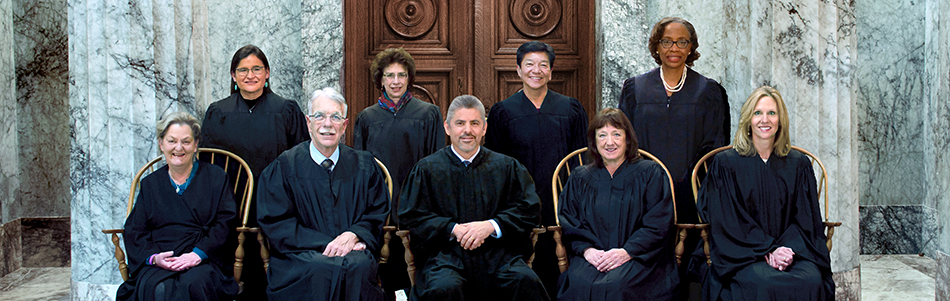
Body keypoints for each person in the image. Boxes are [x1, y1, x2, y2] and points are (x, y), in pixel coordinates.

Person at [399, 95, 550, 301]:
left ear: (484, 128)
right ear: (447, 127)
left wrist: (491, 226)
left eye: (474, 123)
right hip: (445, 257)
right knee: (443, 287)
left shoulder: (507, 167)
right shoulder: (427, 170)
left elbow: (529, 210)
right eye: (460, 123)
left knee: (524, 281)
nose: (467, 130)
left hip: (499, 256)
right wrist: (452, 229)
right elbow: (412, 216)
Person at [617, 17, 728, 291]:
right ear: (657, 46)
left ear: (691, 48)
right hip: (643, 191)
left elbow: (715, 145)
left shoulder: (708, 91)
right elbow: (623, 140)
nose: (674, 48)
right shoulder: (636, 88)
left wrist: (692, 182)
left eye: (682, 42)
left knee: (686, 263)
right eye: (666, 41)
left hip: (689, 191)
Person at [697, 86, 834, 300]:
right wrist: (767, 250)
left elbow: (807, 221)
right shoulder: (726, 165)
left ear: (780, 120)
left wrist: (785, 251)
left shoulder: (798, 165)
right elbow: (727, 220)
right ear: (748, 120)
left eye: (772, 113)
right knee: (765, 282)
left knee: (811, 280)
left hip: (792, 252)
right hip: (742, 255)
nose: (765, 120)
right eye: (758, 113)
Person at [256, 87, 389, 301]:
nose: (327, 124)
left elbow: (376, 212)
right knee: (321, 267)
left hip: (353, 248)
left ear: (344, 125)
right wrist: (326, 243)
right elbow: (277, 221)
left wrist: (353, 234)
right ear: (308, 123)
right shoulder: (284, 167)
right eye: (320, 116)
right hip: (301, 254)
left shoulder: (364, 165)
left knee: (359, 265)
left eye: (335, 117)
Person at [200, 44, 309, 300]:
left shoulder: (286, 110)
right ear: (233, 75)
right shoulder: (218, 112)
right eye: (243, 70)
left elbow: (300, 158)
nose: (251, 75)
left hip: (276, 201)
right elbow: (208, 163)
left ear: (268, 73)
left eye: (257, 69)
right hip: (231, 202)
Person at [485, 40, 588, 295]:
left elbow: (580, 160)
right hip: (520, 206)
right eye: (529, 64)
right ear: (519, 70)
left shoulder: (570, 109)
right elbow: (497, 166)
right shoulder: (503, 112)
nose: (536, 70)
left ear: (551, 72)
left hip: (562, 204)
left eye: (543, 65)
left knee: (562, 268)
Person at [556, 108, 679, 301]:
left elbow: (658, 223)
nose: (609, 142)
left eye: (616, 134)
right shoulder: (580, 177)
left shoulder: (649, 173)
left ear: (627, 139)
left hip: (640, 257)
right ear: (594, 141)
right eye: (602, 135)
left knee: (616, 286)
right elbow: (570, 221)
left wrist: (627, 251)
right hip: (592, 257)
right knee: (580, 283)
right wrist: (587, 251)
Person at [117, 112, 239, 301]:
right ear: (161, 144)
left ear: (196, 144)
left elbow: (226, 223)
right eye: (172, 141)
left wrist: (198, 254)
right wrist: (154, 258)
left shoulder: (216, 178)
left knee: (193, 284)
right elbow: (135, 230)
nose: (178, 148)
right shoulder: (150, 184)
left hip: (203, 259)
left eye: (186, 141)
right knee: (158, 287)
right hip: (161, 259)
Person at [352, 48, 445, 293]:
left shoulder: (429, 114)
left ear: (409, 78)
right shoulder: (366, 118)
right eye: (389, 75)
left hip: (416, 200)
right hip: (379, 203)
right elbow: (359, 170)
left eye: (401, 75)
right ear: (380, 79)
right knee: (383, 263)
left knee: (417, 262)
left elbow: (437, 164)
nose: (395, 81)